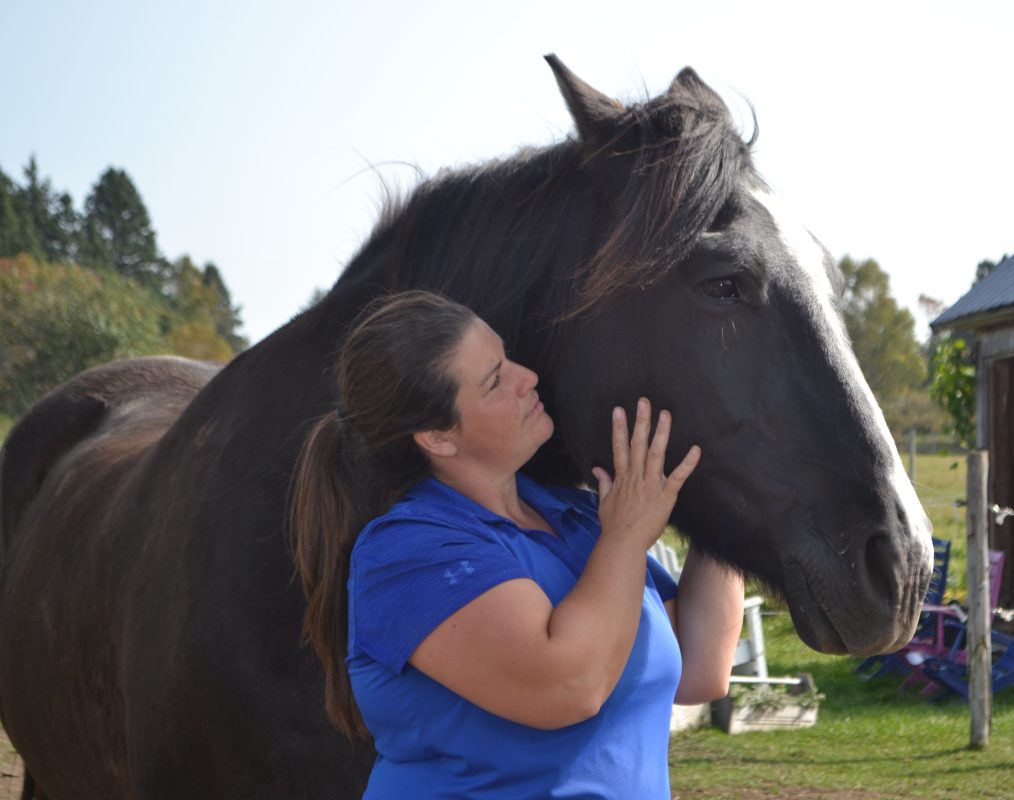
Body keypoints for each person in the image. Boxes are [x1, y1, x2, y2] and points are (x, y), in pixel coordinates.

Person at [291, 290, 744, 799]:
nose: (526, 377)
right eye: (494, 380)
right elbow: (567, 687)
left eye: (506, 357)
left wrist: (724, 497)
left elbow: (700, 667)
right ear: (437, 437)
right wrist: (625, 538)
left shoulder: (576, 518)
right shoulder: (406, 552)